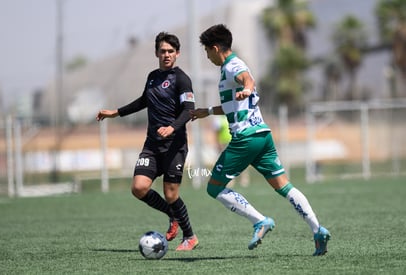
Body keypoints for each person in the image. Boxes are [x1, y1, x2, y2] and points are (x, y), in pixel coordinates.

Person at [190, 24, 330, 255]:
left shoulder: (233, 65)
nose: (207, 56)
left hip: (244, 139)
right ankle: (317, 230)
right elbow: (234, 105)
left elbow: (247, 81)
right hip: (262, 136)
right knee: (284, 185)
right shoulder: (229, 68)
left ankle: (259, 221)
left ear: (215, 48)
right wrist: (207, 111)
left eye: (207, 51)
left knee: (214, 188)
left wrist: (247, 88)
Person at [96, 32, 198, 251]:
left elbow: (189, 111)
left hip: (175, 146)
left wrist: (171, 127)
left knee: (171, 194)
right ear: (156, 53)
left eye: (171, 51)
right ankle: (173, 215)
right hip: (152, 145)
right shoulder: (152, 76)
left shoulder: (182, 79)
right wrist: (116, 112)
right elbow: (145, 100)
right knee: (139, 187)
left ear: (177, 54)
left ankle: (190, 236)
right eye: (163, 51)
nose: (167, 55)